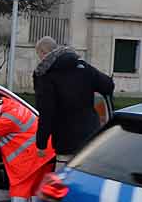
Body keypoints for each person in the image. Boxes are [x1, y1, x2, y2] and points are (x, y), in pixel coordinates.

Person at [32, 35, 115, 168]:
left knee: (63, 184)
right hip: (90, 135)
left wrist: (41, 144)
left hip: (65, 140)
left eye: (39, 55)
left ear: (43, 52)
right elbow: (108, 86)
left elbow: (46, 113)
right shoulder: (82, 66)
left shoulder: (46, 74)